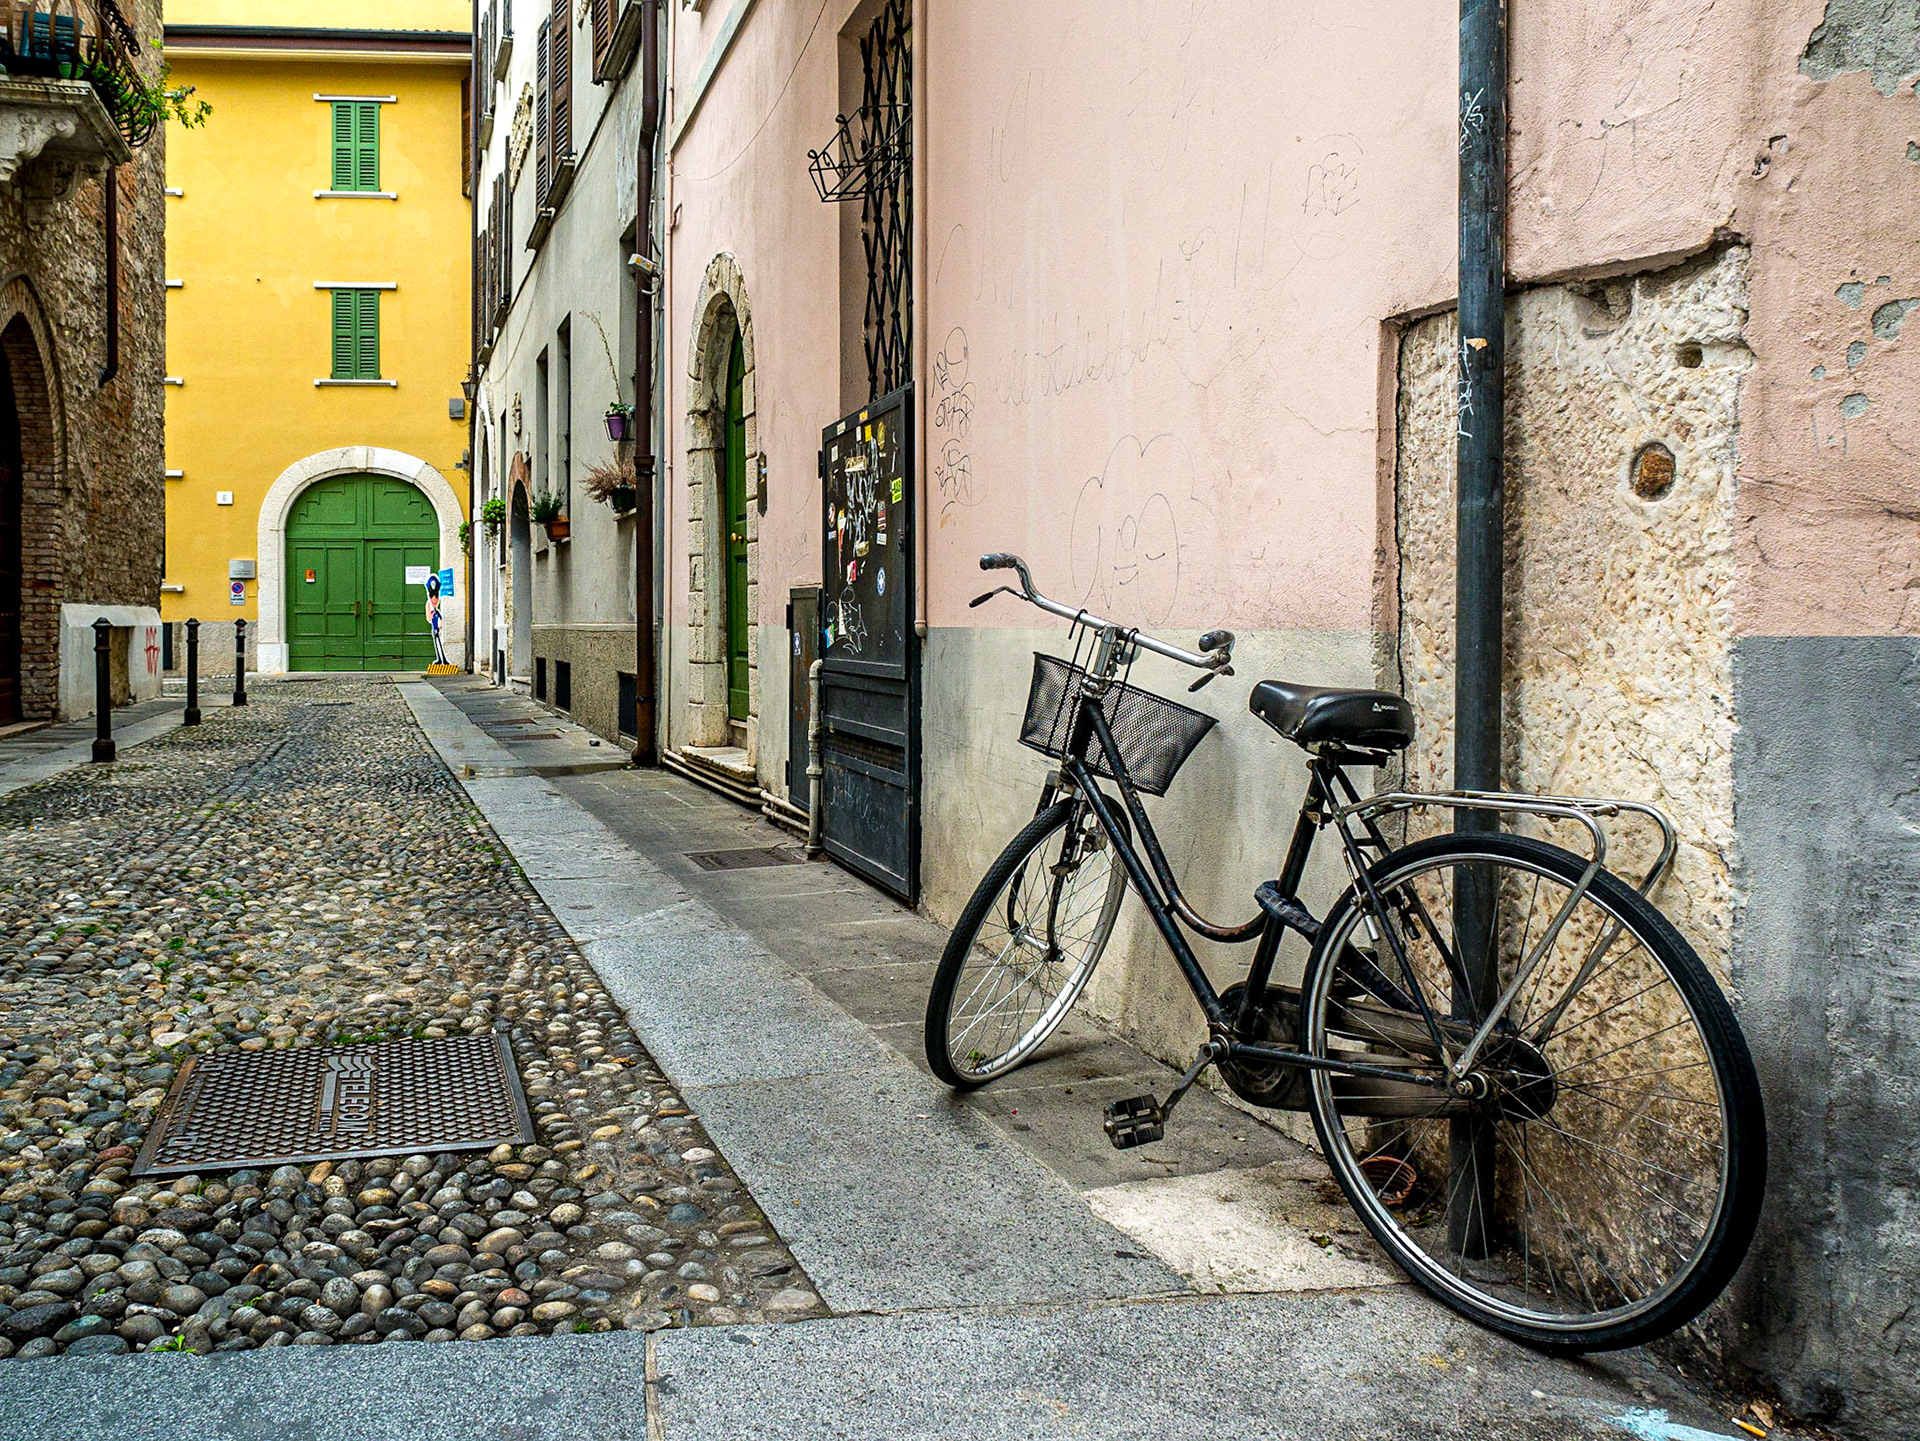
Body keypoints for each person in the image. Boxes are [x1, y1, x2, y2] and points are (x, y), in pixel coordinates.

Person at [425, 572, 448, 667]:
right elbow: (429, 618)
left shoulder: (434, 606)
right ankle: (440, 659)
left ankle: (443, 660)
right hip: (435, 625)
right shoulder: (429, 604)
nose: (435, 600)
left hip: (437, 625)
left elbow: (431, 617)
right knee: (437, 641)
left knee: (438, 642)